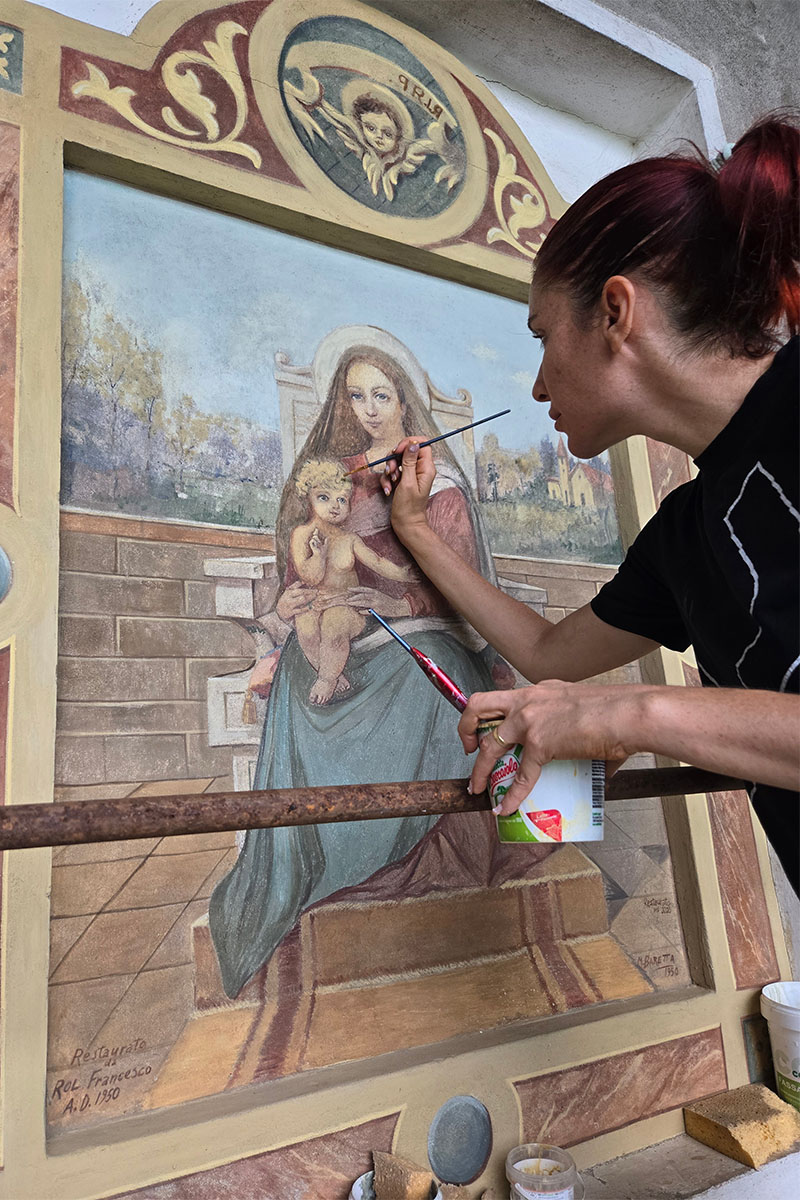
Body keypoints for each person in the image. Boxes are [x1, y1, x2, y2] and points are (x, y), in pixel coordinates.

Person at [382, 114, 800, 893]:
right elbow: (548, 656)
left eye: (542, 336)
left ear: (615, 312)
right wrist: (417, 528)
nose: (539, 385)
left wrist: (627, 714)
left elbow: (612, 704)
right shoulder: (684, 540)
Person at [208, 326, 505, 998]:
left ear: (403, 400)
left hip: (420, 626)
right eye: (356, 396)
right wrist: (297, 593)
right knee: (299, 674)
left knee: (430, 670)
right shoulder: (334, 481)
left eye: (382, 395)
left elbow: (457, 589)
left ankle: (400, 852)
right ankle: (310, 855)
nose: (370, 409)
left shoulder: (437, 480)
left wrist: (394, 592)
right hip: (337, 630)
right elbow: (308, 559)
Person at [289, 458, 413, 704]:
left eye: (342, 500)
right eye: (324, 497)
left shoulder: (350, 539)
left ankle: (326, 679)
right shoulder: (301, 535)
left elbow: (377, 562)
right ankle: (330, 671)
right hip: (316, 603)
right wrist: (319, 556)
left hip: (347, 606)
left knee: (334, 624)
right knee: (305, 625)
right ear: (309, 498)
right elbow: (310, 576)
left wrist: (402, 574)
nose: (334, 506)